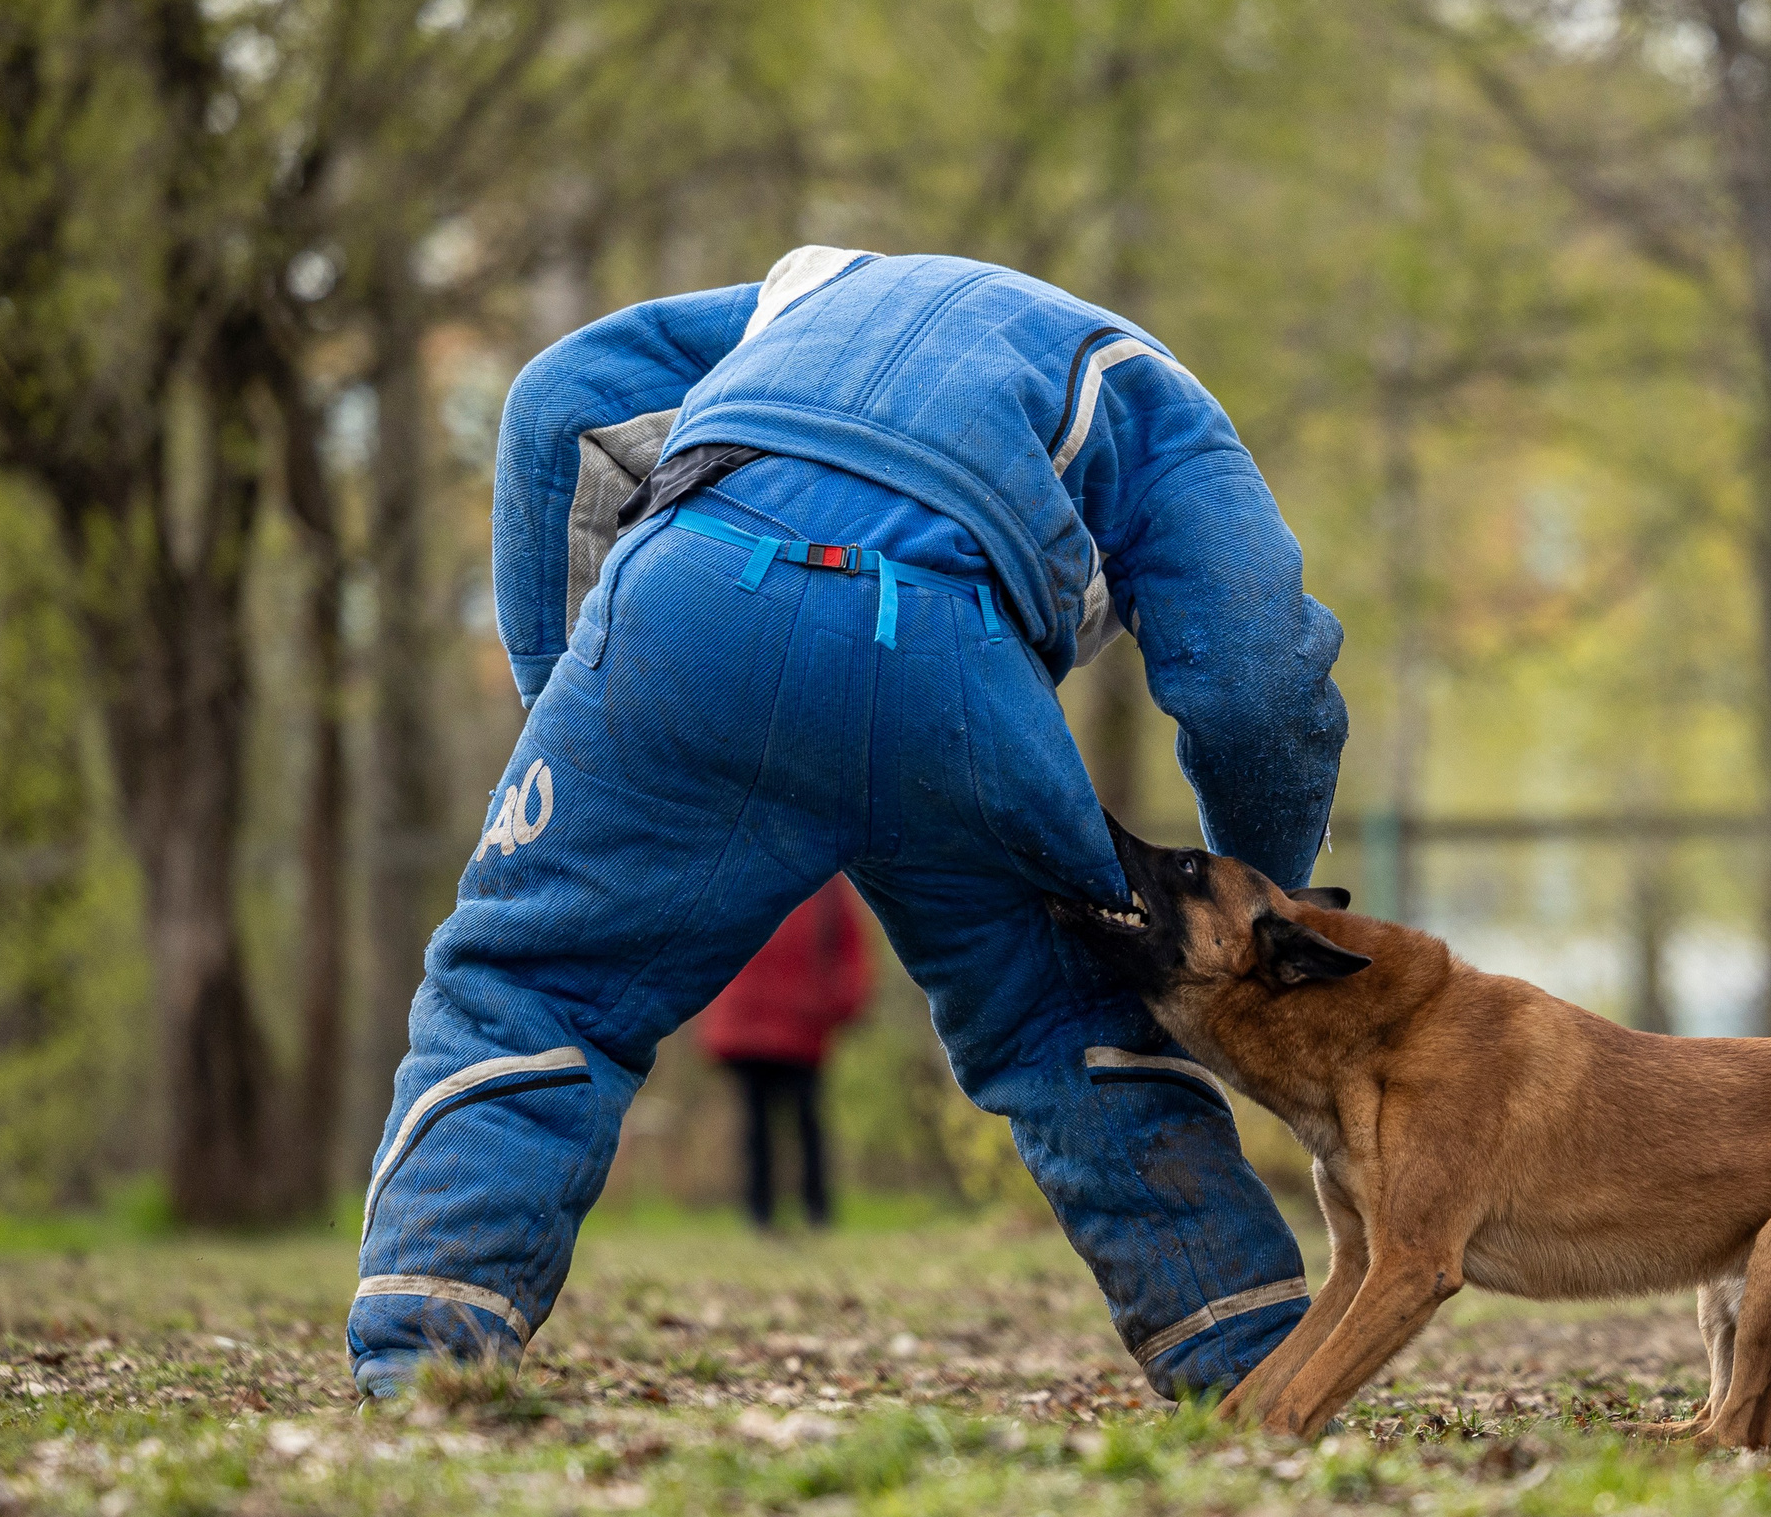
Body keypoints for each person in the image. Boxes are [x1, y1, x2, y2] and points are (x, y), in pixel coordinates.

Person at [348, 247, 1345, 1402]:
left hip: (691, 597)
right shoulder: (1153, 396)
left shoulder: (807, 292)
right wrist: (1260, 916)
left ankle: (426, 1359)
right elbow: (1259, 685)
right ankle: (1249, 1368)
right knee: (1067, 1018)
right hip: (954, 674)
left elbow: (556, 398)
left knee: (531, 982)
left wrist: (563, 703)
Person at [699, 878, 870, 1230]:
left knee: (805, 1121)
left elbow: (850, 945)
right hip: (752, 1023)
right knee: (758, 1123)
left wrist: (843, 1000)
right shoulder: (742, 870)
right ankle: (762, 1215)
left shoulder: (826, 881)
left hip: (801, 1022)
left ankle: (813, 1213)